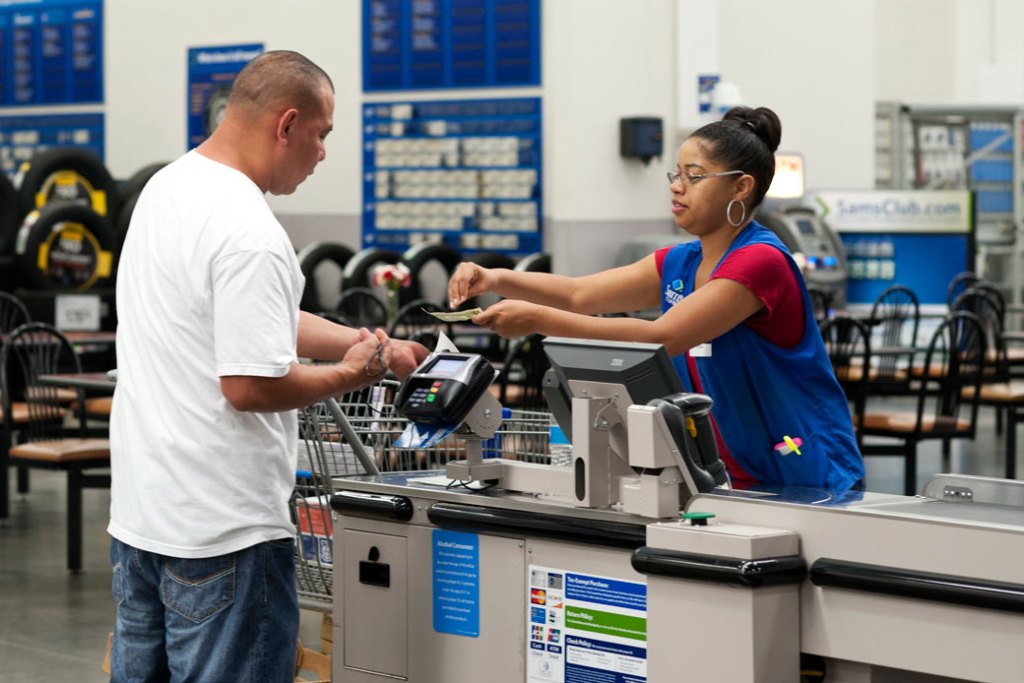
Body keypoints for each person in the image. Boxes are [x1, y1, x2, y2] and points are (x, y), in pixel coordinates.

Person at [108, 50, 428, 681]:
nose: (323, 153)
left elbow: (249, 320)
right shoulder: (249, 230)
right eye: (322, 134)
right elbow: (250, 384)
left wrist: (367, 347)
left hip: (144, 519)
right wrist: (353, 375)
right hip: (225, 535)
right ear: (286, 125)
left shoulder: (166, 188)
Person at [448, 106, 863, 492]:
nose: (678, 187)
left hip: (806, 472)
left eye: (695, 176)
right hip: (727, 472)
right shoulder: (681, 261)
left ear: (741, 187)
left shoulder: (760, 262)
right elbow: (579, 293)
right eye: (675, 174)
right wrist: (495, 277)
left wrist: (539, 320)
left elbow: (659, 339)